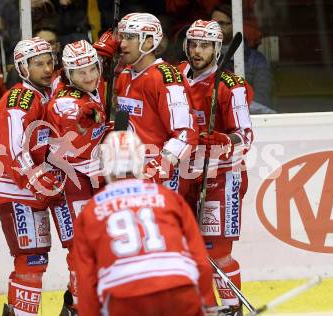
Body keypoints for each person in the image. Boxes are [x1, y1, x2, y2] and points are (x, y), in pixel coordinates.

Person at [73, 130, 215, 316]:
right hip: (179, 291)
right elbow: (201, 262)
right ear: (140, 160)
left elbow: (86, 281)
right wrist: (207, 305)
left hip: (125, 298)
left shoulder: (90, 211)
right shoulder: (169, 198)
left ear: (105, 164)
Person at [0, 37, 74, 316]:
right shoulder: (20, 100)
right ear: (22, 68)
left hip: (49, 185)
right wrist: (35, 178)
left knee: (81, 247)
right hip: (18, 190)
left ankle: (77, 305)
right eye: (38, 64)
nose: (47, 68)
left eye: (50, 61)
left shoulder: (50, 92)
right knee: (32, 259)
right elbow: (14, 150)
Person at [178, 20, 254, 315]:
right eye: (193, 44)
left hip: (223, 175)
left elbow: (245, 136)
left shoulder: (231, 86)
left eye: (205, 45)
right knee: (187, 251)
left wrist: (222, 138)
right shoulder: (175, 76)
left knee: (216, 252)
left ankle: (233, 308)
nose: (197, 51)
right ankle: (206, 308)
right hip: (186, 174)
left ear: (217, 48)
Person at [45, 39, 107, 315]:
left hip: (91, 177)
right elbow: (70, 118)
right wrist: (88, 117)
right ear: (68, 75)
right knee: (80, 248)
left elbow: (99, 52)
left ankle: (75, 304)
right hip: (69, 182)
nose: (89, 75)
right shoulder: (65, 101)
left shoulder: (92, 88)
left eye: (93, 68)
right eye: (81, 72)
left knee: (99, 245)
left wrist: (110, 39)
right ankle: (80, 307)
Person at [114, 12, 199, 193]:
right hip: (128, 175)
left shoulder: (166, 77)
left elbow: (185, 134)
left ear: (149, 41)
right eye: (121, 37)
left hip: (160, 180)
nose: (122, 43)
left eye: (130, 37)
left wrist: (153, 171)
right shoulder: (124, 74)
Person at [211, 4, 276, 114]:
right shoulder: (204, 58)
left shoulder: (256, 61)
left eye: (221, 24)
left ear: (236, 25)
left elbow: (262, 100)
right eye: (212, 24)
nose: (215, 28)